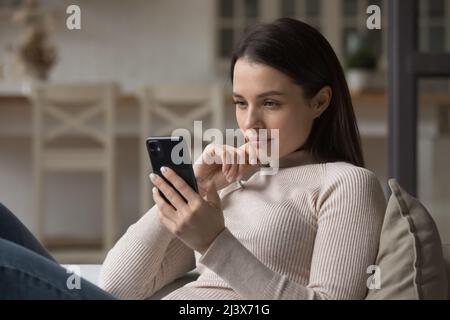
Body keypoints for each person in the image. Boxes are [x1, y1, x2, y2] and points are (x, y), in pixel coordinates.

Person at [0, 18, 386, 300]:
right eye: (240, 103)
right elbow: (118, 286)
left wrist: (215, 241)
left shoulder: (345, 183)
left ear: (319, 101)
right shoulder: (236, 179)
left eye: (270, 103)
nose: (249, 122)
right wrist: (189, 189)